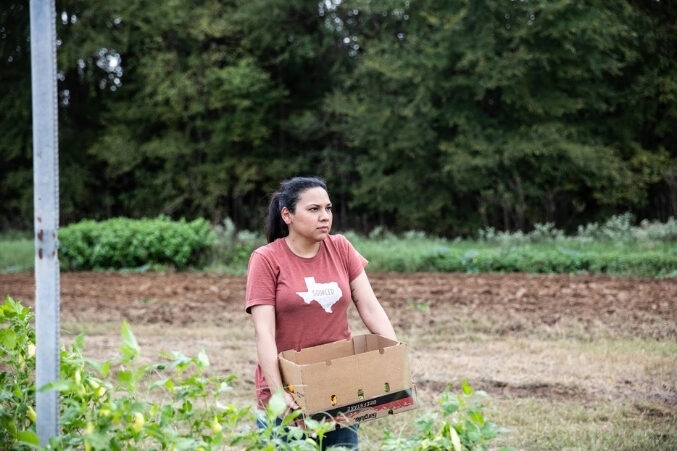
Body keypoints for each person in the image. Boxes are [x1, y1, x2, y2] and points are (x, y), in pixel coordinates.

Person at [245, 176, 398, 450]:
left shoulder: (341, 248)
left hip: (338, 387)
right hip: (289, 389)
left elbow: (371, 308)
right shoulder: (267, 259)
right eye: (313, 209)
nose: (324, 217)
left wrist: (395, 359)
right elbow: (264, 333)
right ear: (287, 215)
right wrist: (279, 394)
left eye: (328, 208)